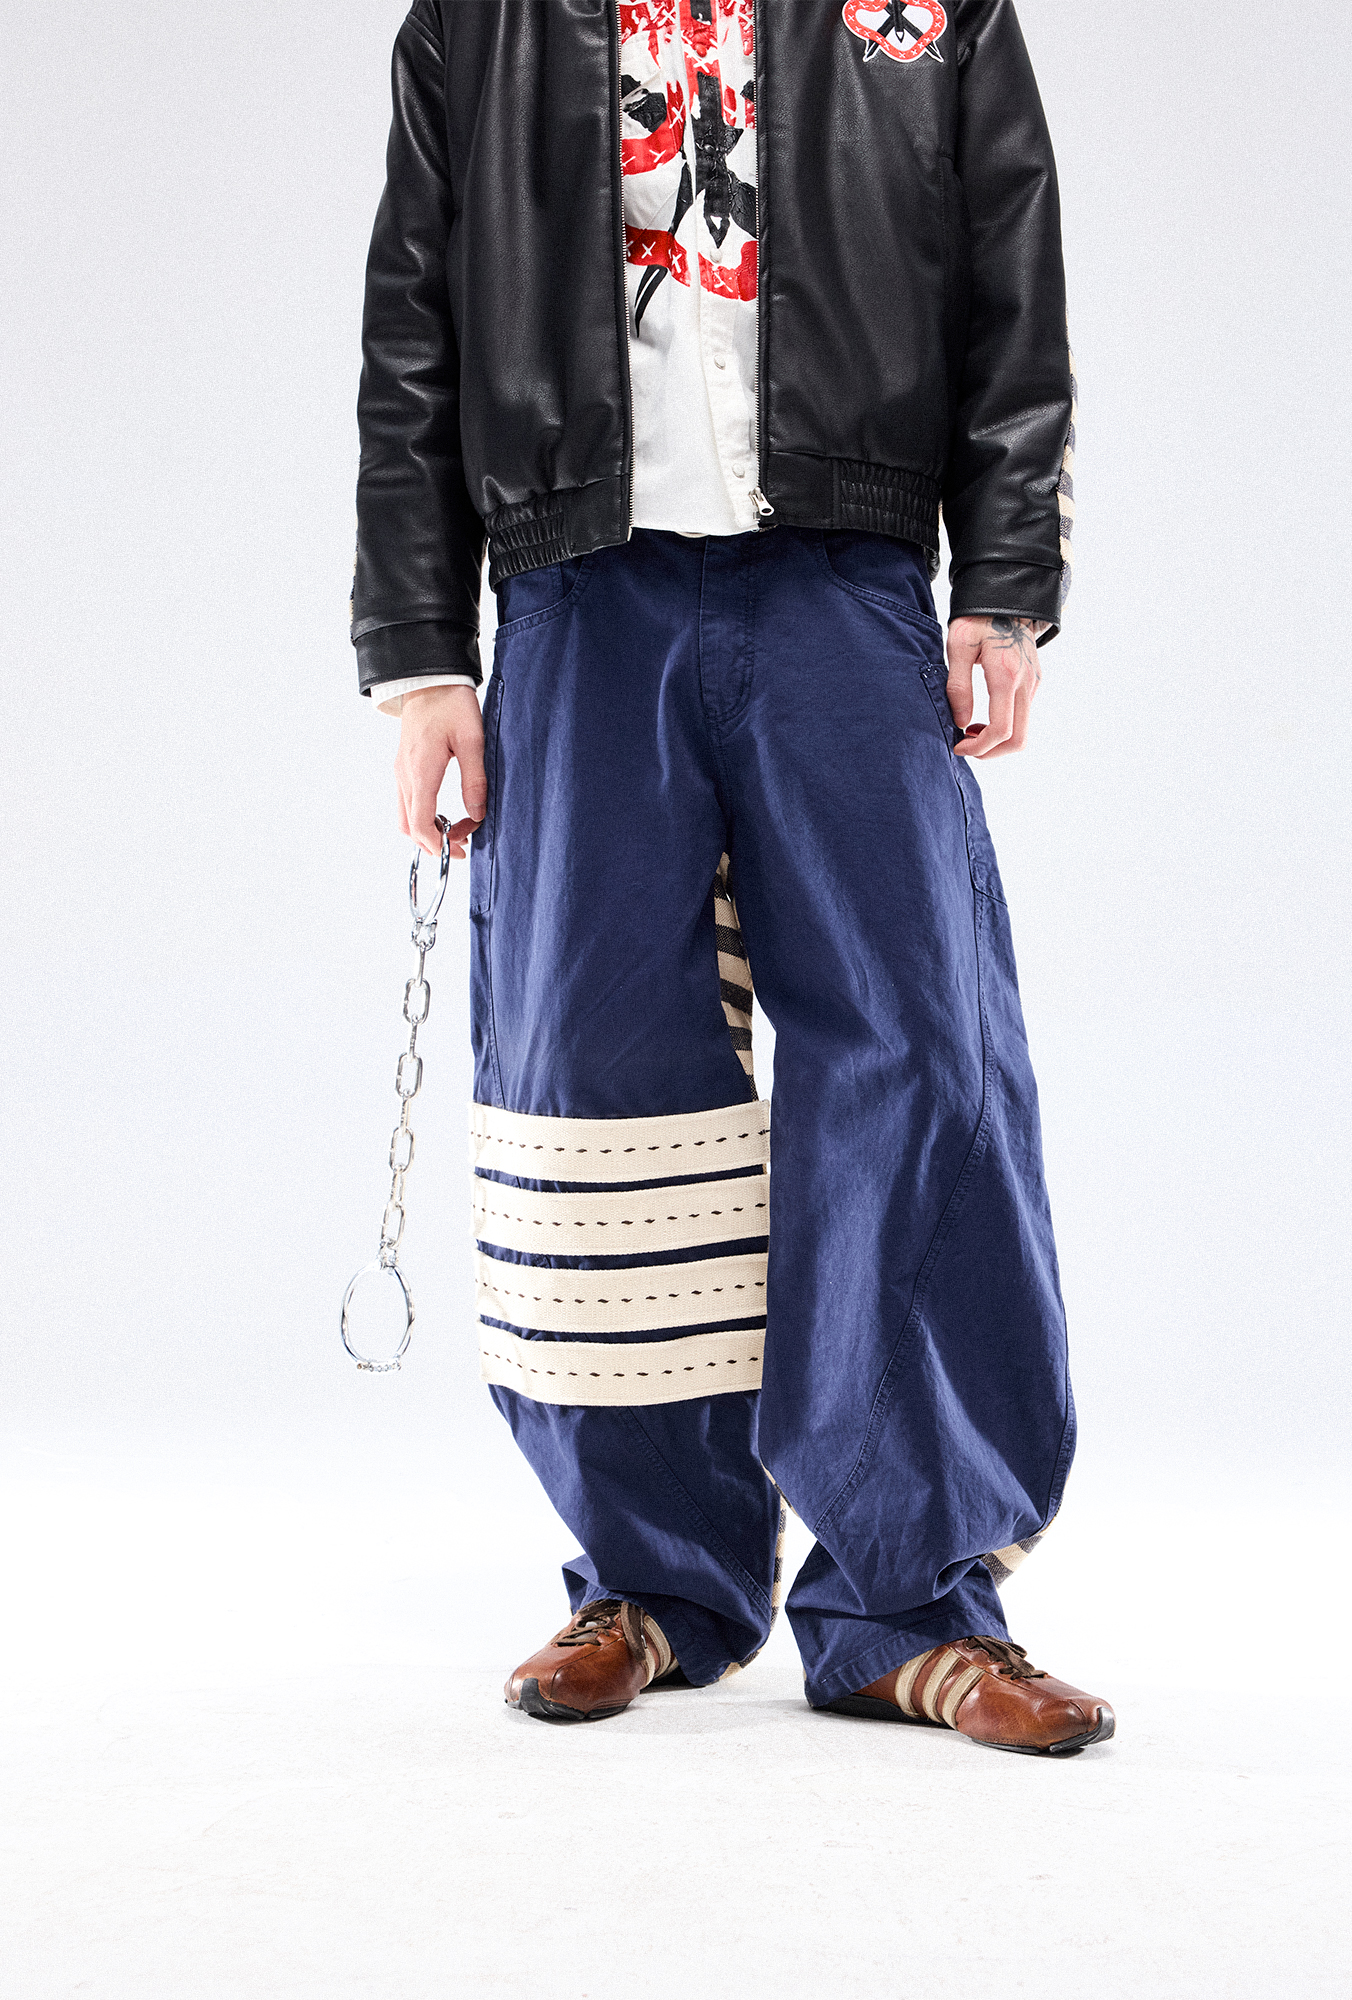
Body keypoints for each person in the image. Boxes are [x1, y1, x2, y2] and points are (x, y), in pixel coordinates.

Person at [352, 0, 1111, 1756]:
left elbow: (1013, 283)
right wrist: (420, 654)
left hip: (844, 575)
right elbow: (413, 333)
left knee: (916, 1050)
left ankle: (914, 1603)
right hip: (575, 585)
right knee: (585, 1075)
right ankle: (651, 1578)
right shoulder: (473, 20)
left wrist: (1006, 582)